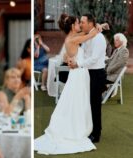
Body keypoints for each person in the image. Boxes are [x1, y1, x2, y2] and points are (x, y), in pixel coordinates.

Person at [34, 13, 99, 155]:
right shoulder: (73, 39)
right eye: (77, 23)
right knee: (77, 102)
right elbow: (90, 35)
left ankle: (78, 126)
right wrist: (97, 28)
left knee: (76, 102)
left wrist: (70, 58)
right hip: (78, 75)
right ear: (72, 26)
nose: (80, 25)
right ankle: (75, 129)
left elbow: (67, 54)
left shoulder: (71, 38)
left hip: (78, 73)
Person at [69, 13, 107, 143]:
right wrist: (74, 60)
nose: (81, 25)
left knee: (95, 105)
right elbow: (84, 55)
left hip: (97, 74)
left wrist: (78, 64)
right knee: (88, 104)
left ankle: (96, 134)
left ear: (91, 23)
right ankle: (89, 129)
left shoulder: (99, 38)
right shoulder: (87, 37)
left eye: (83, 22)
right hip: (87, 74)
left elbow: (94, 58)